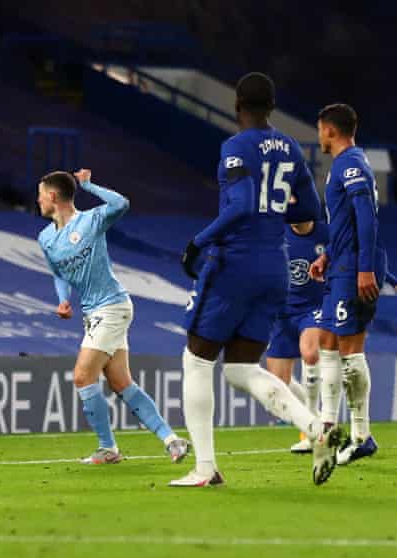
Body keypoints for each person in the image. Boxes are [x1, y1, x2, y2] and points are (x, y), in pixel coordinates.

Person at [174, 72, 342, 488]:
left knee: (196, 359)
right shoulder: (289, 147)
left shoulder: (235, 146)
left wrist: (199, 241)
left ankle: (206, 468)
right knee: (240, 369)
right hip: (276, 265)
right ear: (271, 107)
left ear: (237, 105)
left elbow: (243, 204)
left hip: (236, 263)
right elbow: (310, 213)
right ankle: (316, 426)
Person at [37, 168, 190, 465]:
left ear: (53, 196)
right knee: (120, 382)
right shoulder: (46, 238)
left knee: (83, 377)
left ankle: (108, 448)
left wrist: (89, 185)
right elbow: (57, 272)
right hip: (93, 313)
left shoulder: (90, 220)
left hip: (112, 306)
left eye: (41, 195)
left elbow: (121, 204)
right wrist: (63, 300)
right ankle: (172, 440)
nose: (38, 200)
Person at [309, 103, 388, 466]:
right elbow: (347, 222)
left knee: (350, 350)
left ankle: (361, 435)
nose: (318, 135)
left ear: (330, 130)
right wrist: (328, 256)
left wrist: (365, 268)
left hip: (354, 267)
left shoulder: (352, 163)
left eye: (319, 129)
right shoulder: (343, 164)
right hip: (340, 264)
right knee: (326, 341)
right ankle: (327, 425)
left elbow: (367, 218)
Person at [264, 216, 328, 453]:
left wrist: (390, 279)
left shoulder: (326, 233)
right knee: (276, 388)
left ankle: (312, 433)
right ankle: (319, 422)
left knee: (310, 353)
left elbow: (355, 253)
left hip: (314, 309)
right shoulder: (276, 234)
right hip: (284, 315)